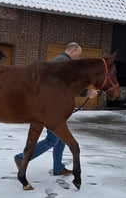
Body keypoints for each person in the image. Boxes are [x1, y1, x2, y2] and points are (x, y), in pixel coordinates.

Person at [14, 42, 98, 176]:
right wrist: (87, 93)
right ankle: (21, 158)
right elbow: (68, 85)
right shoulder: (63, 63)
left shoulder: (58, 62)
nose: (78, 58)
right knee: (52, 139)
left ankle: (58, 167)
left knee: (61, 138)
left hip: (51, 107)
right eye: (79, 55)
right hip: (50, 109)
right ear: (73, 52)